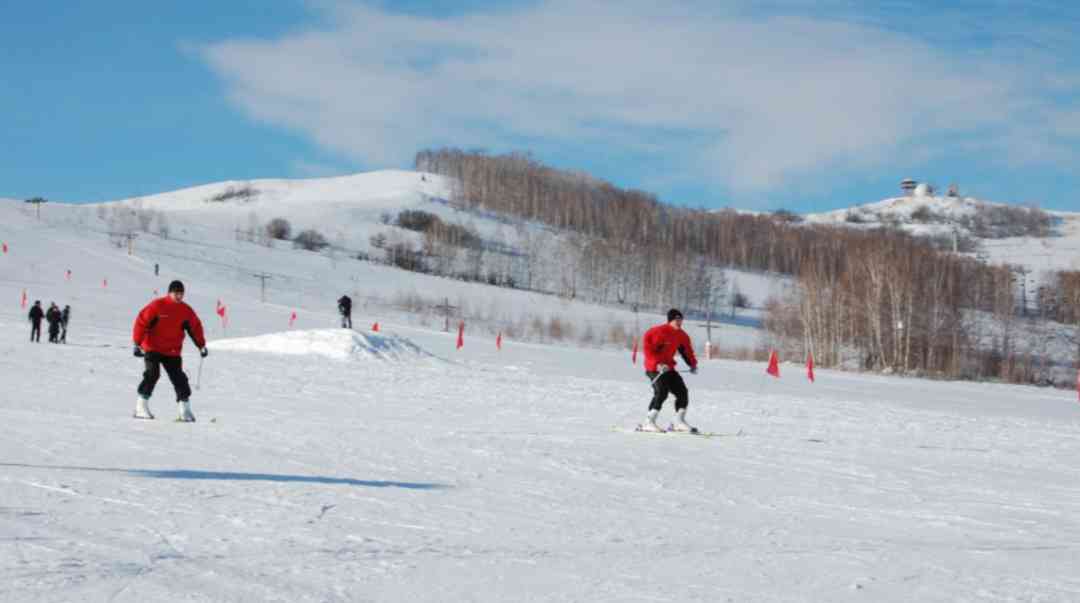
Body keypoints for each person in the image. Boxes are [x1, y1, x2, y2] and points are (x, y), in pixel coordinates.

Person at [132, 280, 208, 421]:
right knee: (152, 374)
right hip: (152, 347)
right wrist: (136, 343)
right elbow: (141, 322)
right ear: (169, 293)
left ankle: (184, 410)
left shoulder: (185, 310)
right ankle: (141, 406)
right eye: (176, 293)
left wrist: (201, 345)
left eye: (181, 294)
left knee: (179, 378)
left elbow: (195, 328)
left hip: (172, 350)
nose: (179, 296)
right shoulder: (157, 306)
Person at [640, 308, 699, 433]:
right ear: (670, 320)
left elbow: (687, 351)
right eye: (676, 320)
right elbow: (648, 350)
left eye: (681, 319)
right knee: (662, 392)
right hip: (654, 368)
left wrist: (692, 364)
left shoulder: (682, 335)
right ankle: (648, 422)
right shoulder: (658, 332)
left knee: (682, 392)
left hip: (669, 368)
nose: (679, 322)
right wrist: (657, 364)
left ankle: (678, 422)